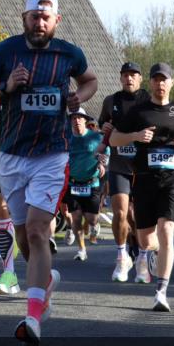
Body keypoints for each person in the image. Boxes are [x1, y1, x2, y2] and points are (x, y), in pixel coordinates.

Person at [0, 0, 99, 346]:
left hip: (52, 155)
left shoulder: (69, 53)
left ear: (56, 19)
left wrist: (79, 97)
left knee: (40, 232)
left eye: (46, 16)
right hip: (11, 156)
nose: (39, 22)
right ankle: (45, 284)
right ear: (23, 18)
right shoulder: (6, 52)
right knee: (24, 238)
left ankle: (33, 316)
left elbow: (90, 80)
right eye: (33, 16)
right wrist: (5, 87)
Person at [110, 63, 174, 312]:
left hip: (171, 179)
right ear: (150, 83)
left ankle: (161, 291)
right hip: (144, 179)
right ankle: (151, 253)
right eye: (156, 79)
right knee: (146, 240)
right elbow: (114, 139)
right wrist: (135, 137)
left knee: (167, 229)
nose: (160, 84)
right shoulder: (138, 112)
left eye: (165, 79)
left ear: (171, 83)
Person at [96, 62, 149, 282]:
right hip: (119, 164)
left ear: (140, 78)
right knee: (120, 212)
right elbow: (102, 126)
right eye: (125, 75)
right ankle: (121, 256)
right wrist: (105, 129)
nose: (129, 79)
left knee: (139, 216)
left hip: (144, 166)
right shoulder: (111, 101)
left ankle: (143, 255)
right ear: (120, 78)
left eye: (133, 75)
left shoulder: (148, 99)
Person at [66, 108, 108, 261]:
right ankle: (81, 249)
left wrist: (103, 163)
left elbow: (105, 153)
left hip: (91, 183)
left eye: (80, 118)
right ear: (70, 121)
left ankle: (95, 225)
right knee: (76, 218)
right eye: (74, 118)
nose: (77, 121)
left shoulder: (96, 137)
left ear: (85, 120)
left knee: (91, 218)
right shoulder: (67, 138)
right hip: (73, 183)